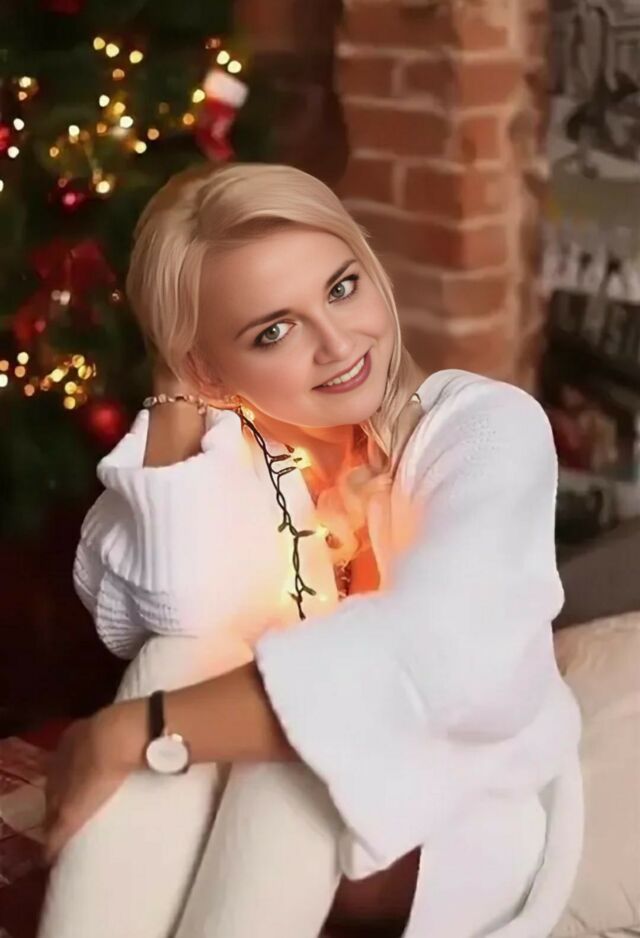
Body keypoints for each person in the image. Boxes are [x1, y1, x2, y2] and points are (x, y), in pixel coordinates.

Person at [38, 163, 584, 938]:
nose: (338, 343)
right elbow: (167, 615)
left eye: (342, 287)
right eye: (274, 330)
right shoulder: (240, 451)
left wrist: (133, 730)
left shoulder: (487, 427)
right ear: (207, 367)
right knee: (180, 656)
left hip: (467, 808)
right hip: (284, 793)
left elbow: (444, 655)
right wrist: (176, 398)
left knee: (303, 758)